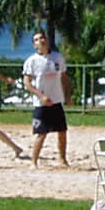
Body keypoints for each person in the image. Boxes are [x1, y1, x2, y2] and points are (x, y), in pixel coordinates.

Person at [23, 30, 72, 167]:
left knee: (62, 131)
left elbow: (63, 77)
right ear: (34, 45)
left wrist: (68, 95)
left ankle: (62, 159)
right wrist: (41, 95)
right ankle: (34, 162)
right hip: (41, 103)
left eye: (43, 38)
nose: (41, 41)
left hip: (56, 100)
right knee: (41, 133)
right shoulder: (31, 61)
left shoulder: (57, 57)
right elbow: (27, 83)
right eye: (37, 39)